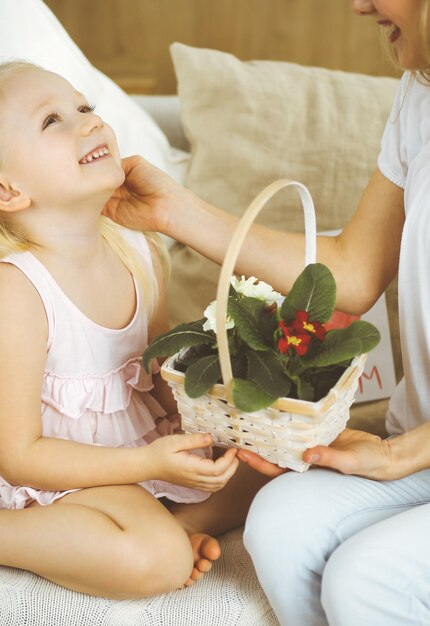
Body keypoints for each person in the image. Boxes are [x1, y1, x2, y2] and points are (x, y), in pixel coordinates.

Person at [101, 0, 430, 623]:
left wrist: (401, 456)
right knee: (278, 525)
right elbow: (353, 273)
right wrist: (175, 212)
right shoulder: (420, 93)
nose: (359, 5)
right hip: (418, 445)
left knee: (369, 579)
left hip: (417, 451)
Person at [0, 60, 270, 599]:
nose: (88, 122)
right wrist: (144, 464)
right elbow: (19, 454)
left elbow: (160, 380)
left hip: (136, 452)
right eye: (52, 121)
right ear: (7, 191)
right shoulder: (17, 292)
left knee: (271, 466)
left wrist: (208, 426)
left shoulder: (139, 253)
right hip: (58, 474)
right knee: (154, 559)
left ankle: (174, 530)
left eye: (85, 107)